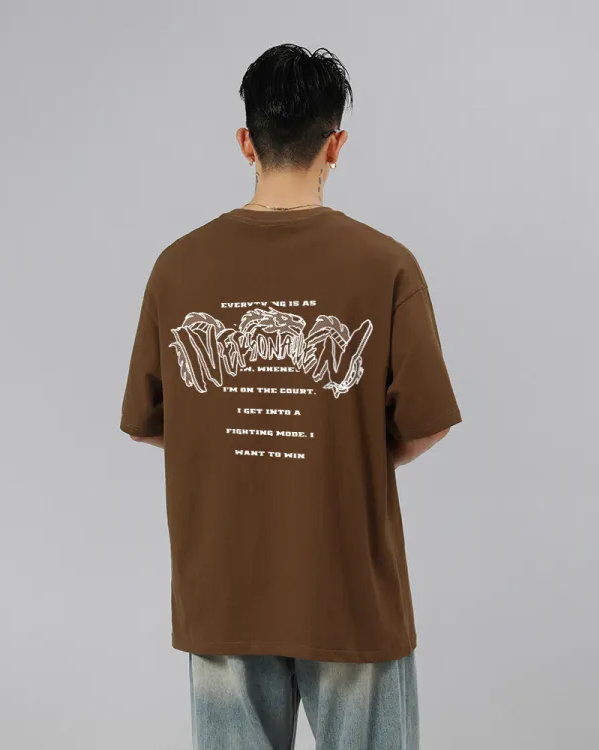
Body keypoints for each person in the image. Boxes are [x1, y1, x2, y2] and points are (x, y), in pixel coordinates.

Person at [120, 43, 462, 750]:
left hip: (223, 592)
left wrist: (232, 435)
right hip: (349, 594)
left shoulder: (178, 268)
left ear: (246, 141)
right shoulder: (386, 265)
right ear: (335, 145)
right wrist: (345, 447)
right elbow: (427, 425)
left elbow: (152, 423)